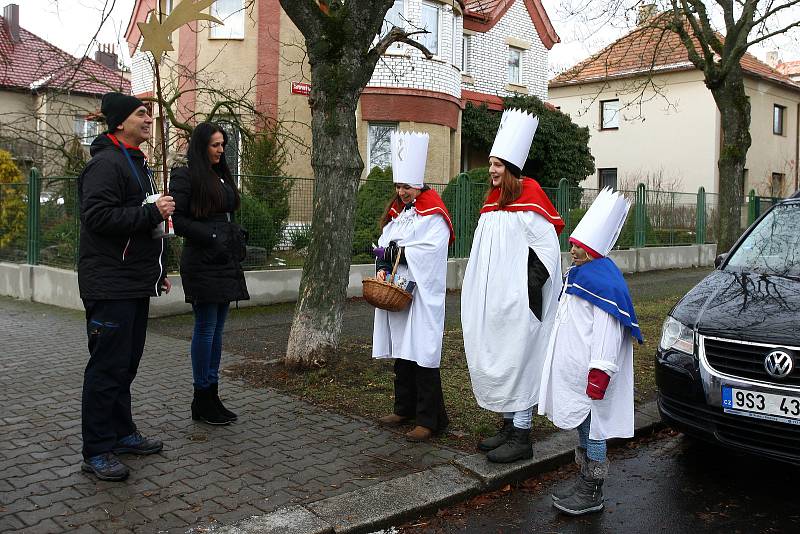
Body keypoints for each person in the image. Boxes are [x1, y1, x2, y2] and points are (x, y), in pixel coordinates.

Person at [78, 92, 175, 481]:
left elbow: (140, 229)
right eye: (141, 115)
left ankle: (121, 434)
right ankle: (97, 450)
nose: (149, 120)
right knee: (107, 369)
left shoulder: (136, 162)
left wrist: (157, 269)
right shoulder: (105, 164)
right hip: (110, 285)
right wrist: (152, 211)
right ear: (120, 123)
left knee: (126, 366)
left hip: (133, 282)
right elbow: (98, 217)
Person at [461, 109, 565, 463]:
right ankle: (507, 427)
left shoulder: (530, 196)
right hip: (494, 300)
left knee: (521, 360)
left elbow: (547, 249)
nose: (491, 170)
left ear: (512, 168)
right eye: (490, 163)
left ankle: (522, 436)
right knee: (502, 356)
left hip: (521, 300)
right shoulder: (493, 202)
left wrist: (528, 291)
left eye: (498, 164)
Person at [538, 188, 643, 516]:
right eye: (571, 244)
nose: (572, 250)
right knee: (583, 429)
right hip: (575, 377)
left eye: (578, 246)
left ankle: (592, 488)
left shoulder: (606, 285)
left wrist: (599, 374)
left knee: (594, 430)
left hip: (591, 379)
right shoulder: (580, 276)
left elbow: (607, 335)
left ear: (594, 250)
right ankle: (585, 478)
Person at [371, 131, 455, 442]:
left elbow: (431, 251)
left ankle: (430, 420)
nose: (401, 191)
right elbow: (383, 244)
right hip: (399, 291)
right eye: (398, 186)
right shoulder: (399, 213)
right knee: (403, 352)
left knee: (422, 352)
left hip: (421, 296)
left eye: (406, 186)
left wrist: (397, 253)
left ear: (419, 185)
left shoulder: (434, 214)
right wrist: (382, 266)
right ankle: (403, 407)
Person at [170, 122, 250, 425]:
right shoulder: (186, 174)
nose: (220, 150)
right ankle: (201, 396)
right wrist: (212, 236)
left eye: (223, 145)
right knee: (205, 328)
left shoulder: (220, 173)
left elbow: (225, 210)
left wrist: (231, 233)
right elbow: (176, 220)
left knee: (217, 330)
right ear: (201, 145)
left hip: (224, 260)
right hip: (203, 261)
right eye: (215, 145)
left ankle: (212, 394)